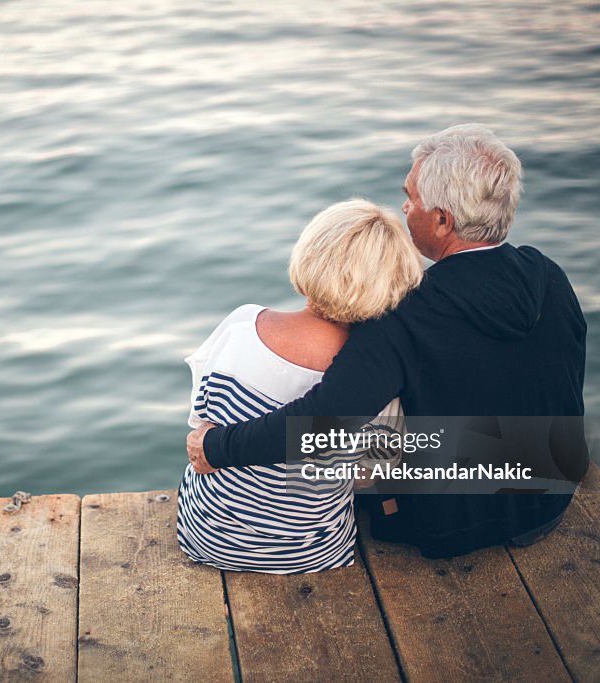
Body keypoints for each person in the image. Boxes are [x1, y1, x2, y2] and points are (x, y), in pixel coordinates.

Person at [186, 124, 589, 559]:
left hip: (449, 526)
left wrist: (216, 447)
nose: (404, 206)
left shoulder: (405, 314)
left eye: (411, 197)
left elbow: (329, 421)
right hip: (550, 498)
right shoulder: (548, 276)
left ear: (442, 220)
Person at [176, 199, 422, 573]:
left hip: (206, 535)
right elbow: (369, 472)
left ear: (309, 255)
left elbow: (200, 418)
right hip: (309, 554)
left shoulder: (243, 325)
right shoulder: (375, 377)